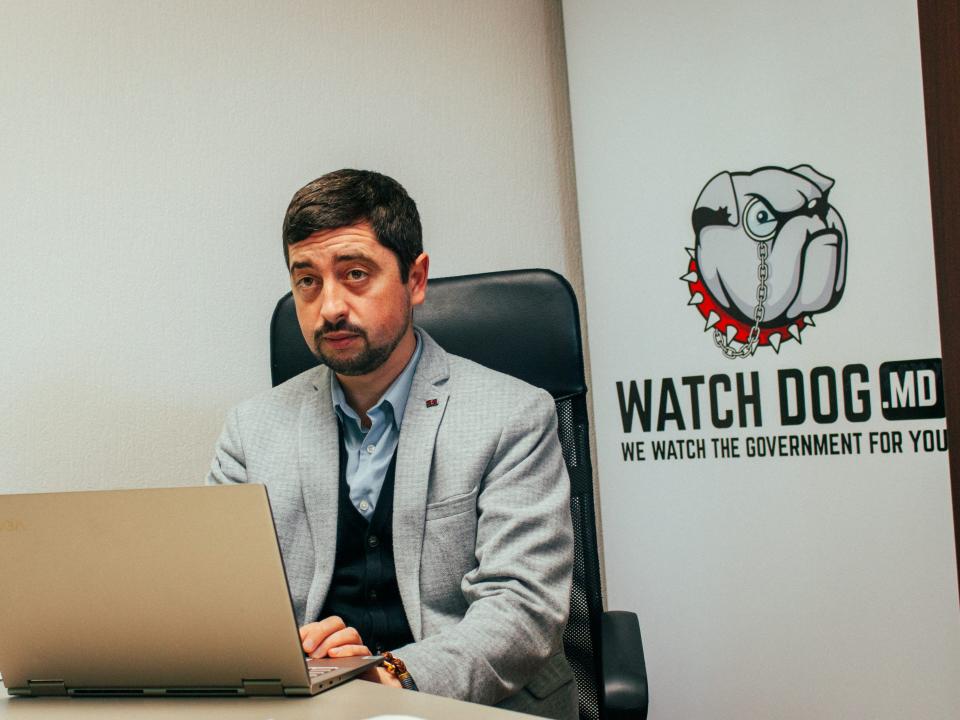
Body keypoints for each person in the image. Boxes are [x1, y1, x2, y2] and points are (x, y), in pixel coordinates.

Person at [208, 169, 576, 718]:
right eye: (307, 280)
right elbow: (223, 599)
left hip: (472, 704)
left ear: (416, 278)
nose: (329, 306)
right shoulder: (250, 430)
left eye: (355, 274)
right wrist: (298, 656)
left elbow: (521, 611)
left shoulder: (512, 415)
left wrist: (389, 676)